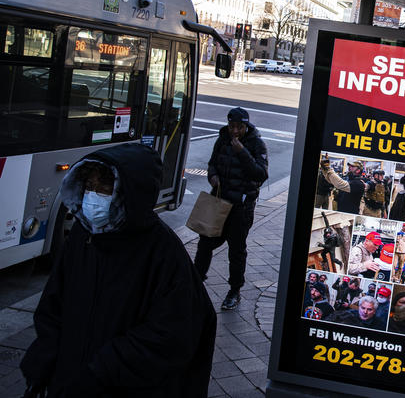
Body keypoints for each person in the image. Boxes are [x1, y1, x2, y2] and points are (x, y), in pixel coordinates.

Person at [20, 144, 216, 398]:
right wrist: (44, 357)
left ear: (130, 192)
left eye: (104, 187)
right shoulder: (83, 235)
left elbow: (172, 334)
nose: (93, 196)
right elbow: (54, 303)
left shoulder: (162, 252)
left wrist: (103, 369)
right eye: (89, 186)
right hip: (68, 383)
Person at [194, 107, 268, 310]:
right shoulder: (222, 138)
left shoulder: (256, 143)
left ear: (246, 126)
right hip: (219, 201)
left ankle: (234, 290)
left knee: (236, 250)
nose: (234, 131)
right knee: (205, 243)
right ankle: (195, 280)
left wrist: (242, 152)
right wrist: (212, 176)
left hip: (241, 207)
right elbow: (212, 164)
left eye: (239, 127)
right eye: (231, 126)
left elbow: (260, 174)